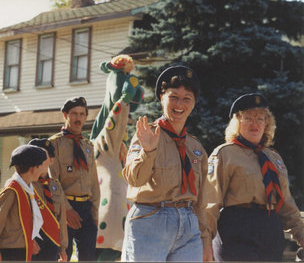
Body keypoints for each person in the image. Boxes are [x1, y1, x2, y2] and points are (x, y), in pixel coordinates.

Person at [121, 66, 211, 261]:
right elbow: (134, 179)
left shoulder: (195, 147)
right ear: (161, 98)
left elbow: (201, 198)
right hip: (150, 219)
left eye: (187, 98)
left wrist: (205, 237)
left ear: (193, 104)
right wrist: (149, 151)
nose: (180, 104)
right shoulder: (146, 135)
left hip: (189, 223)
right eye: (173, 96)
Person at [204, 93, 304, 261]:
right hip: (236, 228)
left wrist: (301, 234)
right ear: (237, 122)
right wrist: (204, 239)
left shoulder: (274, 158)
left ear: (266, 124)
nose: (254, 124)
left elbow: (286, 203)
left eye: (260, 119)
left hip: (270, 229)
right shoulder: (225, 154)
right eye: (248, 118)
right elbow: (210, 202)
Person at [89, 55, 143, 261]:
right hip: (110, 218)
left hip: (118, 219)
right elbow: (114, 121)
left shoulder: (120, 153)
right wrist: (123, 100)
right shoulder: (105, 146)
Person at [49, 97, 100, 261]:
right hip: (64, 208)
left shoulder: (88, 147)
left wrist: (95, 212)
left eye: (82, 114)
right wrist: (67, 209)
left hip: (87, 208)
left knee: (88, 257)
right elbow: (52, 181)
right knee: (63, 256)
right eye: (74, 114)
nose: (78, 118)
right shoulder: (54, 144)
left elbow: (93, 181)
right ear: (65, 115)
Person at [0, 144, 50, 261]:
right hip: (11, 250)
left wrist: (30, 240)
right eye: (40, 165)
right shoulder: (12, 190)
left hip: (22, 248)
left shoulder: (27, 188)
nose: (42, 169)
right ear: (33, 168)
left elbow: (23, 221)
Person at [29, 138, 68, 261]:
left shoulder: (55, 186)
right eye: (35, 155)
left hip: (52, 240)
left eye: (43, 156)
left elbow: (61, 218)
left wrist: (63, 247)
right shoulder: (26, 184)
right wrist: (29, 240)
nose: (39, 160)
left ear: (51, 160)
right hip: (34, 238)